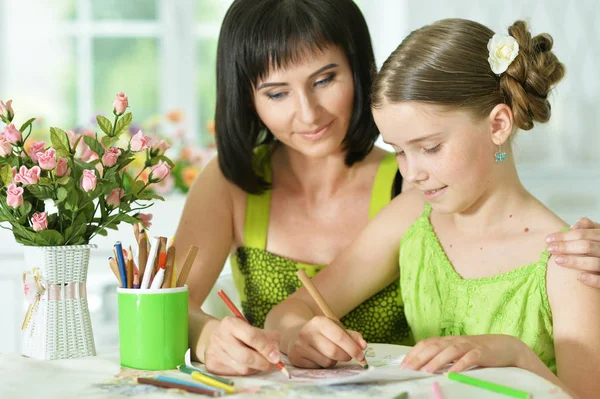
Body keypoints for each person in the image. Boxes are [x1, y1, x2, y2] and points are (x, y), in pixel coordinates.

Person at [175, 0, 600, 377]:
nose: (411, 172)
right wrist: (291, 334)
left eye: (430, 147)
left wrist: (516, 355)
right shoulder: (416, 212)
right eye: (398, 150)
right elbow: (283, 312)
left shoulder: (569, 260)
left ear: (499, 125)